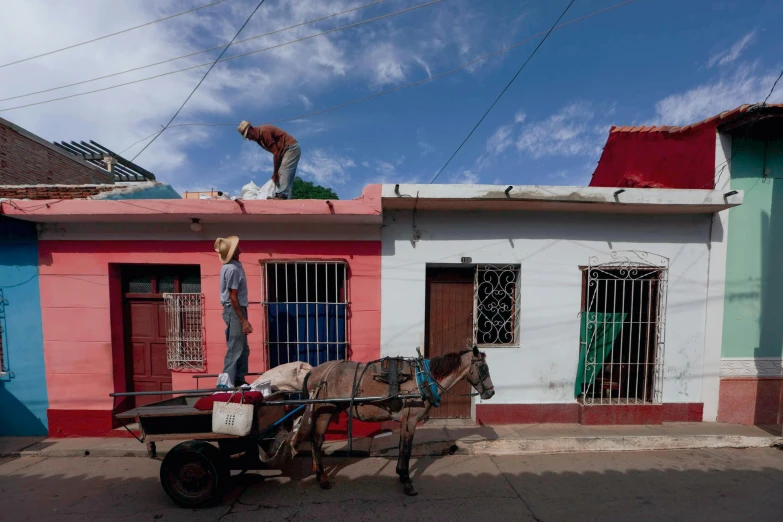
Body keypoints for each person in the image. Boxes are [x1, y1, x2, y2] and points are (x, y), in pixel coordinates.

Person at [215, 236, 252, 387]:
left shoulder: (235, 266)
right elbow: (233, 297)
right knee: (235, 347)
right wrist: (243, 320)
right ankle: (226, 383)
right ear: (234, 251)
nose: (239, 247)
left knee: (243, 348)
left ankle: (238, 380)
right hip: (234, 309)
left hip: (237, 309)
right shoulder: (232, 269)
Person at [237, 121, 301, 200]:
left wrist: (275, 173)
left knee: (283, 171)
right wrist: (276, 173)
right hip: (285, 152)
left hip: (291, 148)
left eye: (248, 134)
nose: (249, 138)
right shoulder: (259, 140)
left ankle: (282, 196)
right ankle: (286, 199)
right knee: (287, 177)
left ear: (251, 128)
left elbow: (276, 153)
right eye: (247, 137)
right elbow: (278, 153)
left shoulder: (264, 131)